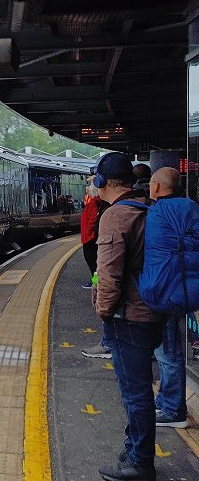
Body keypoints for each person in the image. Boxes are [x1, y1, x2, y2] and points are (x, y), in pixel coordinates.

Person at [92, 152, 163, 481]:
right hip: (153, 311)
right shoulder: (149, 207)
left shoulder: (115, 216)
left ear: (101, 181)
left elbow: (109, 276)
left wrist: (104, 312)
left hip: (128, 317)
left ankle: (140, 462)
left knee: (135, 393)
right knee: (140, 390)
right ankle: (134, 448)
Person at [149, 167, 188, 428]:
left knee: (169, 352)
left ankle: (173, 409)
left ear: (157, 187)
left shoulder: (161, 212)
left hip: (168, 289)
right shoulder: (190, 208)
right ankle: (166, 401)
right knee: (169, 349)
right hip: (182, 286)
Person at [81, 179, 112, 359]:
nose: (88, 187)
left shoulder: (105, 209)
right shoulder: (99, 205)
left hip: (104, 270)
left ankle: (108, 344)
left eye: (92, 183)